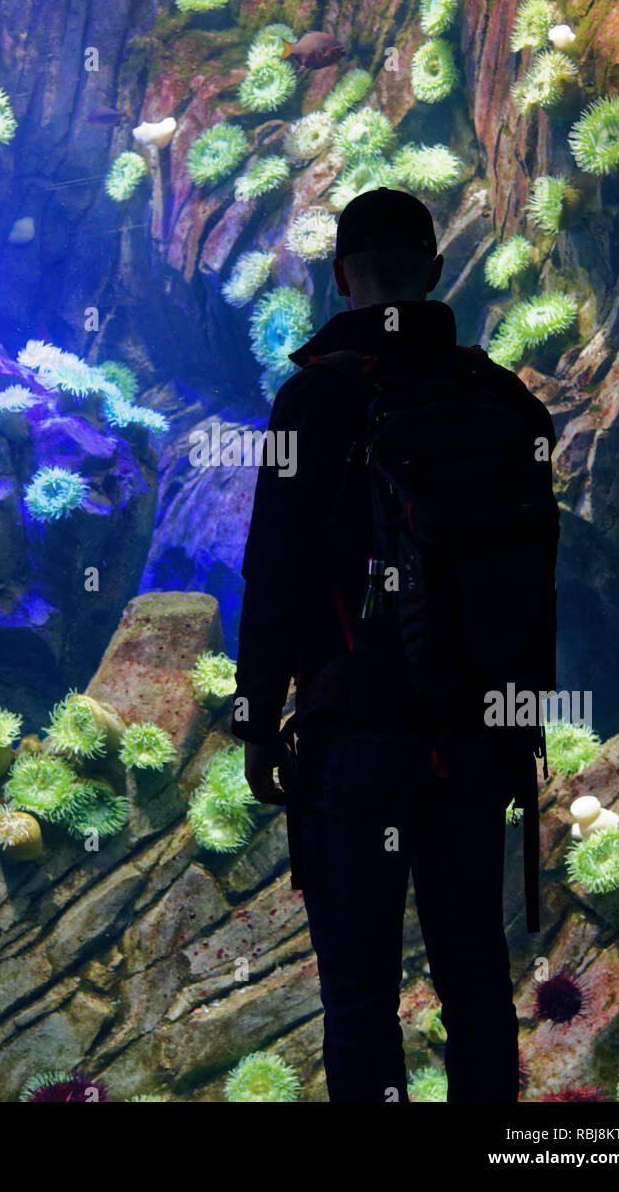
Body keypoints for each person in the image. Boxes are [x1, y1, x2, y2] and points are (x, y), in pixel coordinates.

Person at [233, 187, 559, 1103]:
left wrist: (257, 718)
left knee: (362, 996)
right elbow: (541, 582)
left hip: (360, 738)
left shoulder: (313, 400)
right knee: (477, 982)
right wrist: (517, 730)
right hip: (477, 741)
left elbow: (277, 571)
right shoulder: (505, 402)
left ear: (341, 278)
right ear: (437, 273)